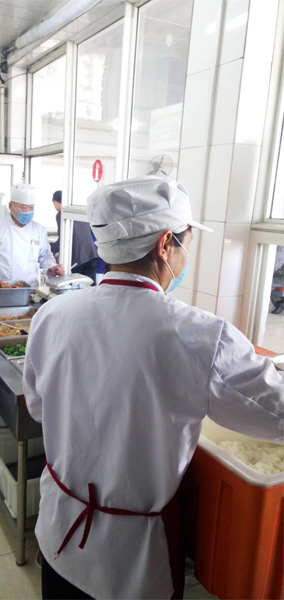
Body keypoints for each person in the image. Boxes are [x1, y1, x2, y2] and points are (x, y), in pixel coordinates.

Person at [23, 177, 284, 600]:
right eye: (187, 241)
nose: (186, 253)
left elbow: (39, 407)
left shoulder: (53, 314)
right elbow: (276, 412)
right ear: (165, 244)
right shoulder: (200, 336)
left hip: (58, 534)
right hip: (128, 563)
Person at [0, 183, 66, 286]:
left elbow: (45, 256)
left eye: (31, 208)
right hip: (2, 286)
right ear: (11, 206)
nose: (27, 211)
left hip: (30, 288)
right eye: (23, 207)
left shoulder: (39, 230)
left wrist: (52, 267)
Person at [50, 190, 100, 283]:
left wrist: (48, 251)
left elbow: (63, 239)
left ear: (55, 202)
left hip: (78, 259)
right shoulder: (76, 211)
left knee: (76, 288)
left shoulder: (62, 214)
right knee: (89, 287)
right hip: (91, 255)